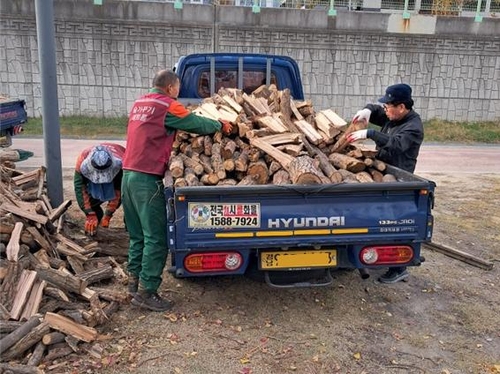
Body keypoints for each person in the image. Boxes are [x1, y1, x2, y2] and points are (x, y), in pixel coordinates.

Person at [122, 69, 232, 312]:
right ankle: (147, 291)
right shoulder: (167, 105)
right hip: (146, 179)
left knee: (138, 235)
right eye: (178, 89)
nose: (178, 93)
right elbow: (194, 122)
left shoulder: (140, 103)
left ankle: (133, 284)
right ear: (171, 88)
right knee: (156, 238)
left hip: (128, 175)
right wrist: (218, 124)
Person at [346, 83, 424, 284]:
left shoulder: (413, 127)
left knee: (396, 222)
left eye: (389, 106)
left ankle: (399, 268)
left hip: (400, 177)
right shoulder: (393, 115)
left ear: (402, 107)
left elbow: (396, 144)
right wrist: (366, 111)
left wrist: (370, 134)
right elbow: (376, 110)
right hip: (383, 170)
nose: (385, 110)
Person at [74, 143, 125, 236]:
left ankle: (130, 231)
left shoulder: (120, 165)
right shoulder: (82, 161)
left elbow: (119, 191)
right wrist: (90, 213)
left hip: (120, 172)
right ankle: (96, 219)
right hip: (91, 174)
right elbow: (80, 189)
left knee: (129, 203)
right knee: (90, 202)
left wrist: (108, 215)